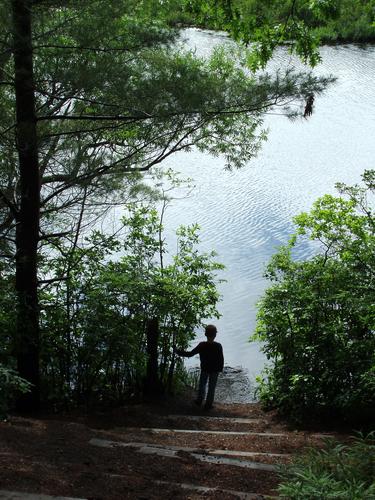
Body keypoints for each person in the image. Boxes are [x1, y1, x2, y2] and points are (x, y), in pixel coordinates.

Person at [176, 324, 224, 410]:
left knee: (202, 385)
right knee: (211, 387)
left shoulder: (202, 345)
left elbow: (190, 354)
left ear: (205, 334)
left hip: (205, 368)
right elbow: (221, 359)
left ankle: (199, 400)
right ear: (215, 335)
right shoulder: (218, 346)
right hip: (215, 370)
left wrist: (178, 352)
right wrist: (220, 369)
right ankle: (208, 404)